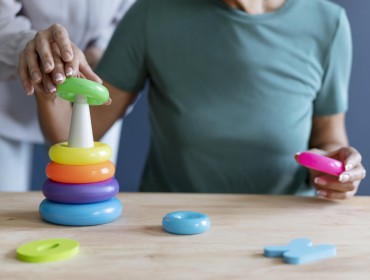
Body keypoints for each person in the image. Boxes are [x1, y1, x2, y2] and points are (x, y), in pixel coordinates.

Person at [19, 0, 366, 199]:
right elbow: (72, 135)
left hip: (284, 226)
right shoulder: (152, 14)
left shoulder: (328, 23)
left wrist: (338, 169)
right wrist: (50, 76)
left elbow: (328, 138)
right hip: (171, 227)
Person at [0, 0, 135, 191]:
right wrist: (32, 49)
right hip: (10, 93)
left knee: (90, 194)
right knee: (6, 207)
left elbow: (130, 16)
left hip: (94, 83)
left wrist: (102, 47)